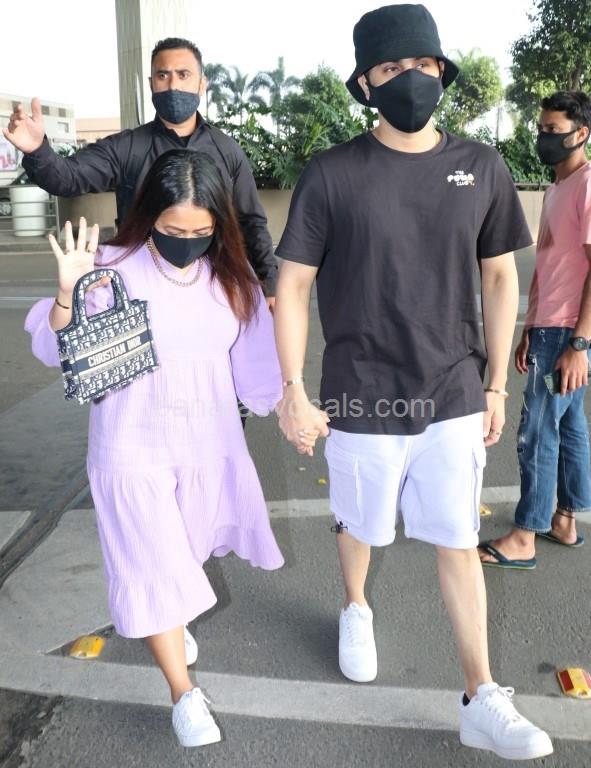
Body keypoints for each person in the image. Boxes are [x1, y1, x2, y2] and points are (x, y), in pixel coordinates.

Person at [273, 4, 553, 761]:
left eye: (422, 64)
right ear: (365, 83)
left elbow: (501, 278)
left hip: (453, 388)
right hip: (361, 390)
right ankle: (356, 606)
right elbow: (292, 284)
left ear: (441, 71)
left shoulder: (481, 167)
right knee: (361, 525)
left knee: (457, 537)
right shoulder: (332, 172)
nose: (410, 78)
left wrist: (495, 385)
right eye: (390, 68)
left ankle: (480, 695)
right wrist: (293, 388)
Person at [24, 149, 284, 747]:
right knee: (150, 564)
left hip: (205, 442)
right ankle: (182, 693)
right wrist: (67, 294)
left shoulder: (231, 278)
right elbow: (51, 351)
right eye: (172, 229)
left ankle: (171, 618)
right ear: (149, 217)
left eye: (200, 231)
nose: (186, 243)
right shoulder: (109, 267)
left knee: (181, 557)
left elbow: (257, 363)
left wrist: (288, 407)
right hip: (129, 446)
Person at [3, 36, 278, 305]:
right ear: (151, 84)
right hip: (140, 289)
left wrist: (270, 285)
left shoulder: (227, 150)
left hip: (214, 290)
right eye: (163, 75)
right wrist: (37, 149)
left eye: (183, 75)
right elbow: (68, 178)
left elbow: (251, 222)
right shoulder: (127, 147)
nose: (173, 85)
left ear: (202, 83)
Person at [479, 91, 591, 570]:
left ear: (581, 133)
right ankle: (565, 520)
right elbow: (549, 267)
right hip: (549, 326)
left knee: (537, 431)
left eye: (553, 130)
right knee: (569, 424)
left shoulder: (587, 184)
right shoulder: (556, 188)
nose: (544, 137)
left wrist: (579, 343)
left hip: (568, 331)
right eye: (541, 129)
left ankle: (525, 536)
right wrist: (529, 327)